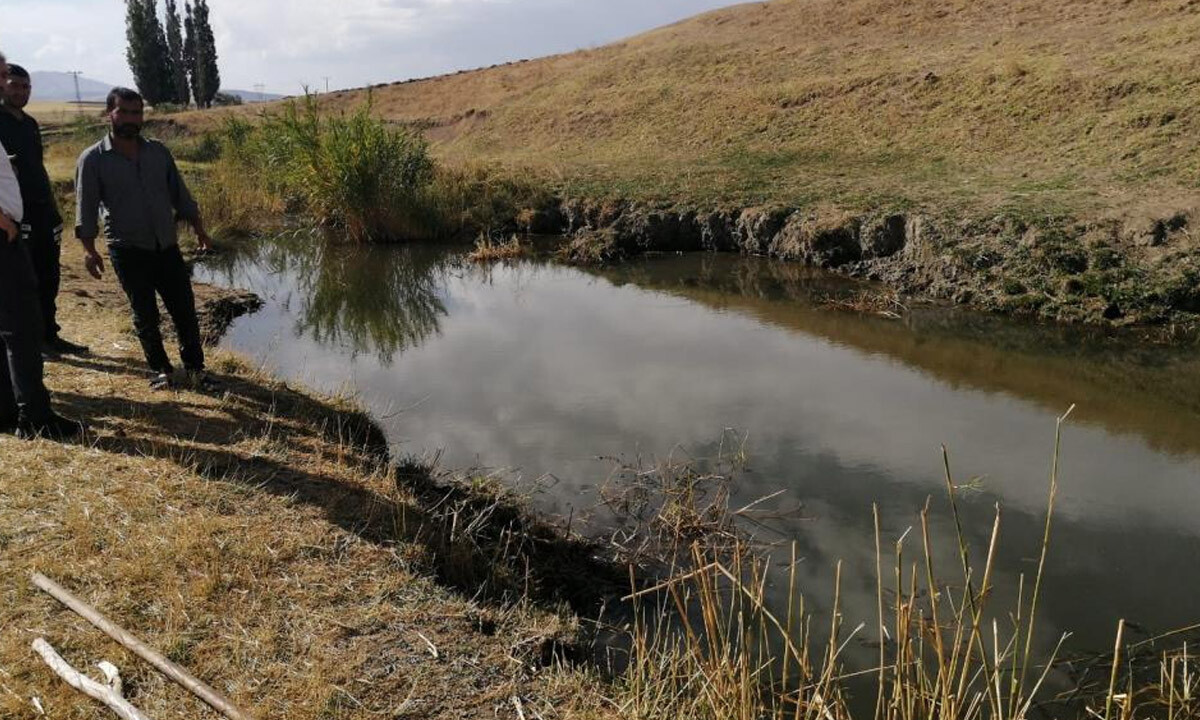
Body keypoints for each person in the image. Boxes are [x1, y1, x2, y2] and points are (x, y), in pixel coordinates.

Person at [76, 87, 218, 391]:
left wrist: (201, 231)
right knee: (146, 315)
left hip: (166, 246)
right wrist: (89, 250)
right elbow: (85, 207)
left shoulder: (158, 152)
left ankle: (195, 369)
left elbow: (181, 195)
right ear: (109, 114)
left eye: (136, 112)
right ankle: (163, 370)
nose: (131, 118)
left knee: (184, 310)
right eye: (124, 112)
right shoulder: (93, 160)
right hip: (128, 250)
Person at [0, 52, 83, 439]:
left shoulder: (31, 124)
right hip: (9, 229)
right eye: (6, 79)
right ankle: (33, 414)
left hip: (33, 214)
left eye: (18, 82)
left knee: (37, 294)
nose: (12, 87)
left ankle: (14, 405)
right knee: (19, 322)